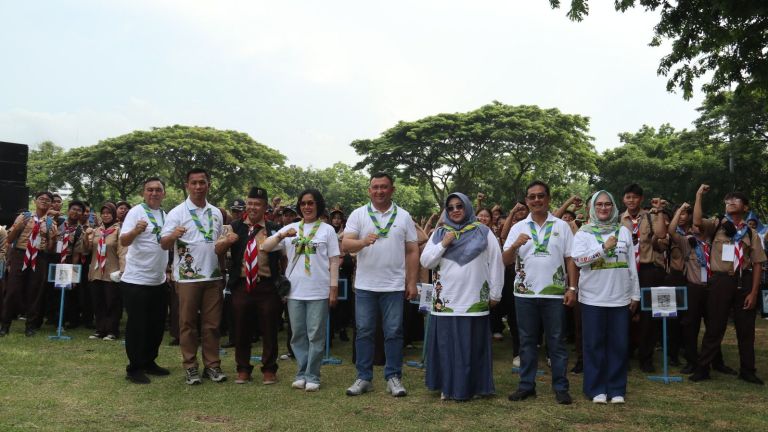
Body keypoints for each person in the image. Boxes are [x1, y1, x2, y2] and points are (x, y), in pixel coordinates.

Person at [420, 192, 504, 400]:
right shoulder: (439, 233)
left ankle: (472, 387)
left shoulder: (483, 232)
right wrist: (443, 244)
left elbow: (496, 262)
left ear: (467, 207)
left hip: (473, 299)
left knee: (471, 346)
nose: (455, 210)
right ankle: (447, 387)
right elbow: (426, 262)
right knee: (447, 347)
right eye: (450, 208)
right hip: (446, 301)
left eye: (459, 206)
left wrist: (495, 293)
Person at [342, 172, 419, 397]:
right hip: (366, 285)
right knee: (364, 331)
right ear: (369, 190)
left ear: (392, 190)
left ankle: (393, 377)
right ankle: (363, 377)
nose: (379, 191)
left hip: (394, 285)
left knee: (394, 331)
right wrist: (363, 241)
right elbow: (346, 244)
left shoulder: (404, 216)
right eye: (375, 187)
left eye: (384, 187)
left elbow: (413, 250)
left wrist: (412, 282)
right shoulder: (359, 214)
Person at [503, 181, 577, 405]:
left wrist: (572, 287)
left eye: (541, 196)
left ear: (548, 198)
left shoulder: (561, 226)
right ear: (527, 201)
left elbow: (570, 258)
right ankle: (526, 386)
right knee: (527, 342)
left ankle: (561, 387)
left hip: (554, 294)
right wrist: (514, 245)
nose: (536, 200)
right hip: (525, 295)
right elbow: (505, 260)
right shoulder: (518, 227)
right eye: (532, 197)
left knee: (556, 341)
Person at [262, 189, 340, 392]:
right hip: (295, 291)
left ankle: (313, 375)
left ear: (318, 205)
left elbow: (334, 261)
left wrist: (333, 288)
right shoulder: (290, 228)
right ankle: (301, 372)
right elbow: (266, 247)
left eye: (311, 203)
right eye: (303, 203)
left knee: (316, 334)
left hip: (318, 290)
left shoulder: (327, 230)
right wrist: (281, 234)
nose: (307, 207)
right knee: (297, 334)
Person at [689, 185, 766, 384]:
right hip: (721, 280)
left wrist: (754, 292)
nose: (730, 202)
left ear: (746, 207)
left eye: (736, 200)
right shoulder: (716, 225)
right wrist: (698, 196)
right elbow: (696, 222)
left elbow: (757, 263)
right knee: (715, 325)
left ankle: (748, 370)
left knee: (746, 328)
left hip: (744, 279)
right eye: (728, 200)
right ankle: (703, 368)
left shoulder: (751, 234)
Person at [571, 191, 640, 404]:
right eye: (599, 204)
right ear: (592, 207)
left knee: (618, 345)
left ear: (613, 207)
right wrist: (603, 248)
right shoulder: (583, 233)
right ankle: (595, 389)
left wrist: (635, 294)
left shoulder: (624, 232)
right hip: (592, 298)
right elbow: (579, 260)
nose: (603, 208)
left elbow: (631, 265)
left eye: (607, 204)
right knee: (593, 345)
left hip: (619, 297)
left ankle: (617, 388)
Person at [161, 168, 226, 385]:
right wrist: (173, 235)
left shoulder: (216, 212)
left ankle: (212, 366)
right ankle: (190, 366)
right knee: (187, 324)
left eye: (202, 182)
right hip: (187, 279)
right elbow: (163, 244)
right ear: (187, 186)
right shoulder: (177, 212)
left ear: (209, 184)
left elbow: (218, 244)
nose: (198, 187)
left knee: (212, 325)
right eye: (194, 183)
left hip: (212, 277)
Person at [215, 187, 284, 385]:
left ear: (265, 207)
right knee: (241, 328)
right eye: (251, 203)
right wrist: (228, 241)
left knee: (270, 328)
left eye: (258, 204)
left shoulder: (273, 229)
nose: (253, 207)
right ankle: (243, 369)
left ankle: (269, 369)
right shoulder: (233, 226)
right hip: (241, 285)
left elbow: (283, 257)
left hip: (267, 286)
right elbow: (217, 250)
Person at [119, 177, 171, 384]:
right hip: (136, 280)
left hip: (158, 280)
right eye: (150, 190)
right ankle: (134, 367)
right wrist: (135, 230)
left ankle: (150, 361)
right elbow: (124, 240)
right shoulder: (135, 212)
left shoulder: (165, 215)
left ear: (164, 193)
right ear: (144, 192)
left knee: (156, 325)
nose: (154, 193)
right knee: (137, 326)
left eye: (158, 190)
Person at [620, 183, 666, 372]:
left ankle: (646, 357)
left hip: (648, 269)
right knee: (624, 312)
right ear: (623, 199)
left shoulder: (650, 216)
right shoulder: (618, 219)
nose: (631, 200)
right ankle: (624, 354)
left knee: (648, 315)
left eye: (635, 197)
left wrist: (660, 212)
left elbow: (662, 234)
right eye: (628, 197)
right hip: (625, 271)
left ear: (641, 199)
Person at [1, 192, 58, 337]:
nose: (44, 202)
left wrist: (53, 239)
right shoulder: (24, 217)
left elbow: (50, 249)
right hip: (21, 255)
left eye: (47, 200)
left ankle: (30, 326)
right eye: (41, 199)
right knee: (12, 290)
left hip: (40, 257)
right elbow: (9, 239)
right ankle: (5, 324)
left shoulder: (51, 223)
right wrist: (19, 226)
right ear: (35, 201)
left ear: (51, 204)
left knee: (35, 291)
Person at [85, 203, 123, 341]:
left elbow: (122, 251)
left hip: (112, 271)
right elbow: (87, 250)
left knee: (112, 302)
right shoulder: (96, 230)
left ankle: (112, 330)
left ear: (114, 215)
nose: (106, 215)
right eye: (104, 213)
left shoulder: (118, 230)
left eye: (109, 213)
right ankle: (100, 329)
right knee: (98, 301)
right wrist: (85, 237)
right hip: (96, 271)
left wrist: (122, 270)